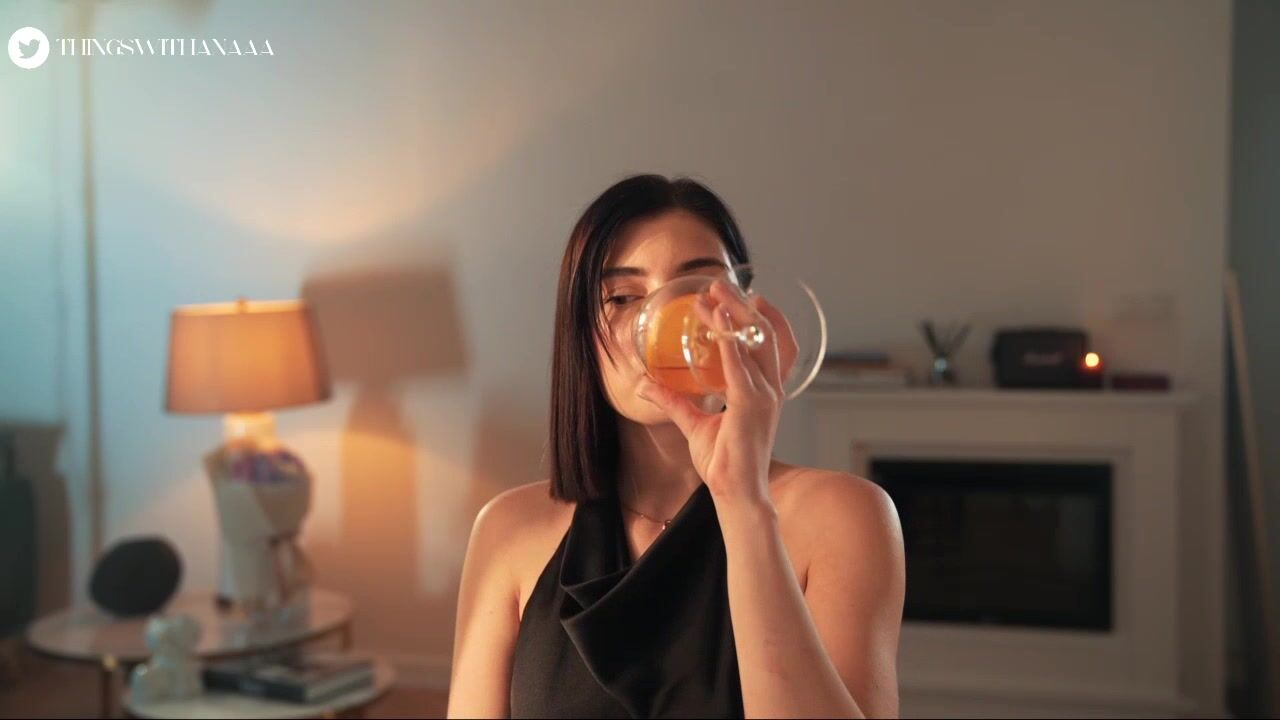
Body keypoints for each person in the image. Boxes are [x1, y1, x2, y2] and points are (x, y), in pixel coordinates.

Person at [447, 174, 905, 718]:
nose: (662, 318)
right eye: (623, 298)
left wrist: (742, 498)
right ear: (582, 336)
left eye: (695, 292)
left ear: (739, 314)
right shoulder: (510, 529)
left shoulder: (842, 515)